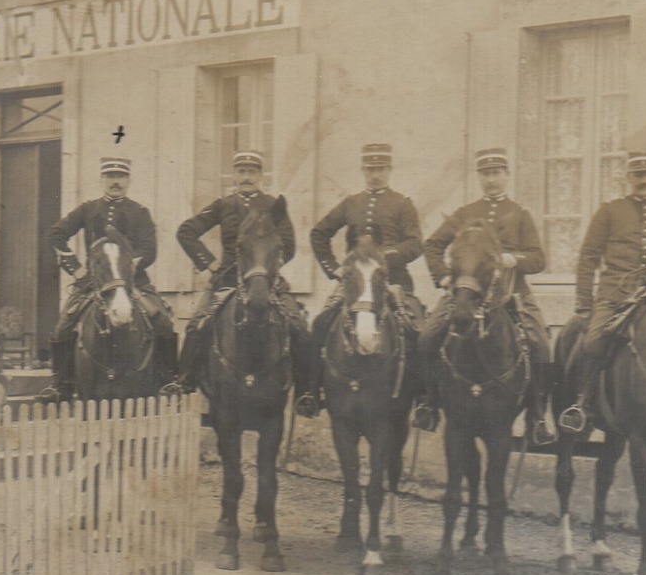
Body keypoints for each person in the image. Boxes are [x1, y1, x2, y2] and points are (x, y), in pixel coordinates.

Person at [418, 147, 553, 443]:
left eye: (496, 173)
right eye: (485, 174)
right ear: (479, 177)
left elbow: (538, 259)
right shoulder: (465, 214)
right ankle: (429, 403)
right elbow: (432, 245)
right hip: (468, 294)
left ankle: (538, 414)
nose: (491, 180)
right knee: (428, 336)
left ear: (506, 175)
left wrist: (514, 259)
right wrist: (443, 277)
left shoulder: (520, 215)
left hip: (511, 294)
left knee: (541, 344)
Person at [174, 149, 313, 405]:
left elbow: (289, 244)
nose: (246, 177)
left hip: (267, 282)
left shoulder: (273, 206)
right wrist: (210, 263)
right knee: (197, 325)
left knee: (299, 327)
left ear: (260, 176)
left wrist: (270, 267)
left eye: (252, 172)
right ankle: (184, 381)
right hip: (226, 279)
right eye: (241, 171)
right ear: (234, 175)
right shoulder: (222, 205)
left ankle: (305, 393)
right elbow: (186, 232)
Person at [38, 157, 179, 403]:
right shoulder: (87, 209)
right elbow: (56, 235)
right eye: (110, 176)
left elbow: (149, 248)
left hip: (133, 281)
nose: (116, 182)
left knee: (163, 322)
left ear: (128, 180)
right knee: (63, 326)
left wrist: (134, 264)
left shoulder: (139, 212)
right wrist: (76, 269)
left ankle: (168, 381)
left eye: (121, 177)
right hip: (94, 281)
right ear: (101, 180)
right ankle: (60, 384)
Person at [560, 150, 646, 431]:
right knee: (592, 342)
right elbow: (588, 257)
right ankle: (582, 404)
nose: (644, 180)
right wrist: (584, 303)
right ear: (628, 177)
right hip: (614, 296)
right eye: (638, 175)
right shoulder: (610, 211)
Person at [304, 143, 425, 413]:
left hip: (393, 282)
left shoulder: (402, 204)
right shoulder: (351, 203)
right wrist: (333, 268)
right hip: (355, 285)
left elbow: (416, 244)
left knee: (417, 330)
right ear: (363, 171)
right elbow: (318, 233)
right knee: (321, 323)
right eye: (370, 169)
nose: (375, 175)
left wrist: (385, 258)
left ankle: (421, 399)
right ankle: (312, 392)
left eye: (380, 169)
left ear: (389, 170)